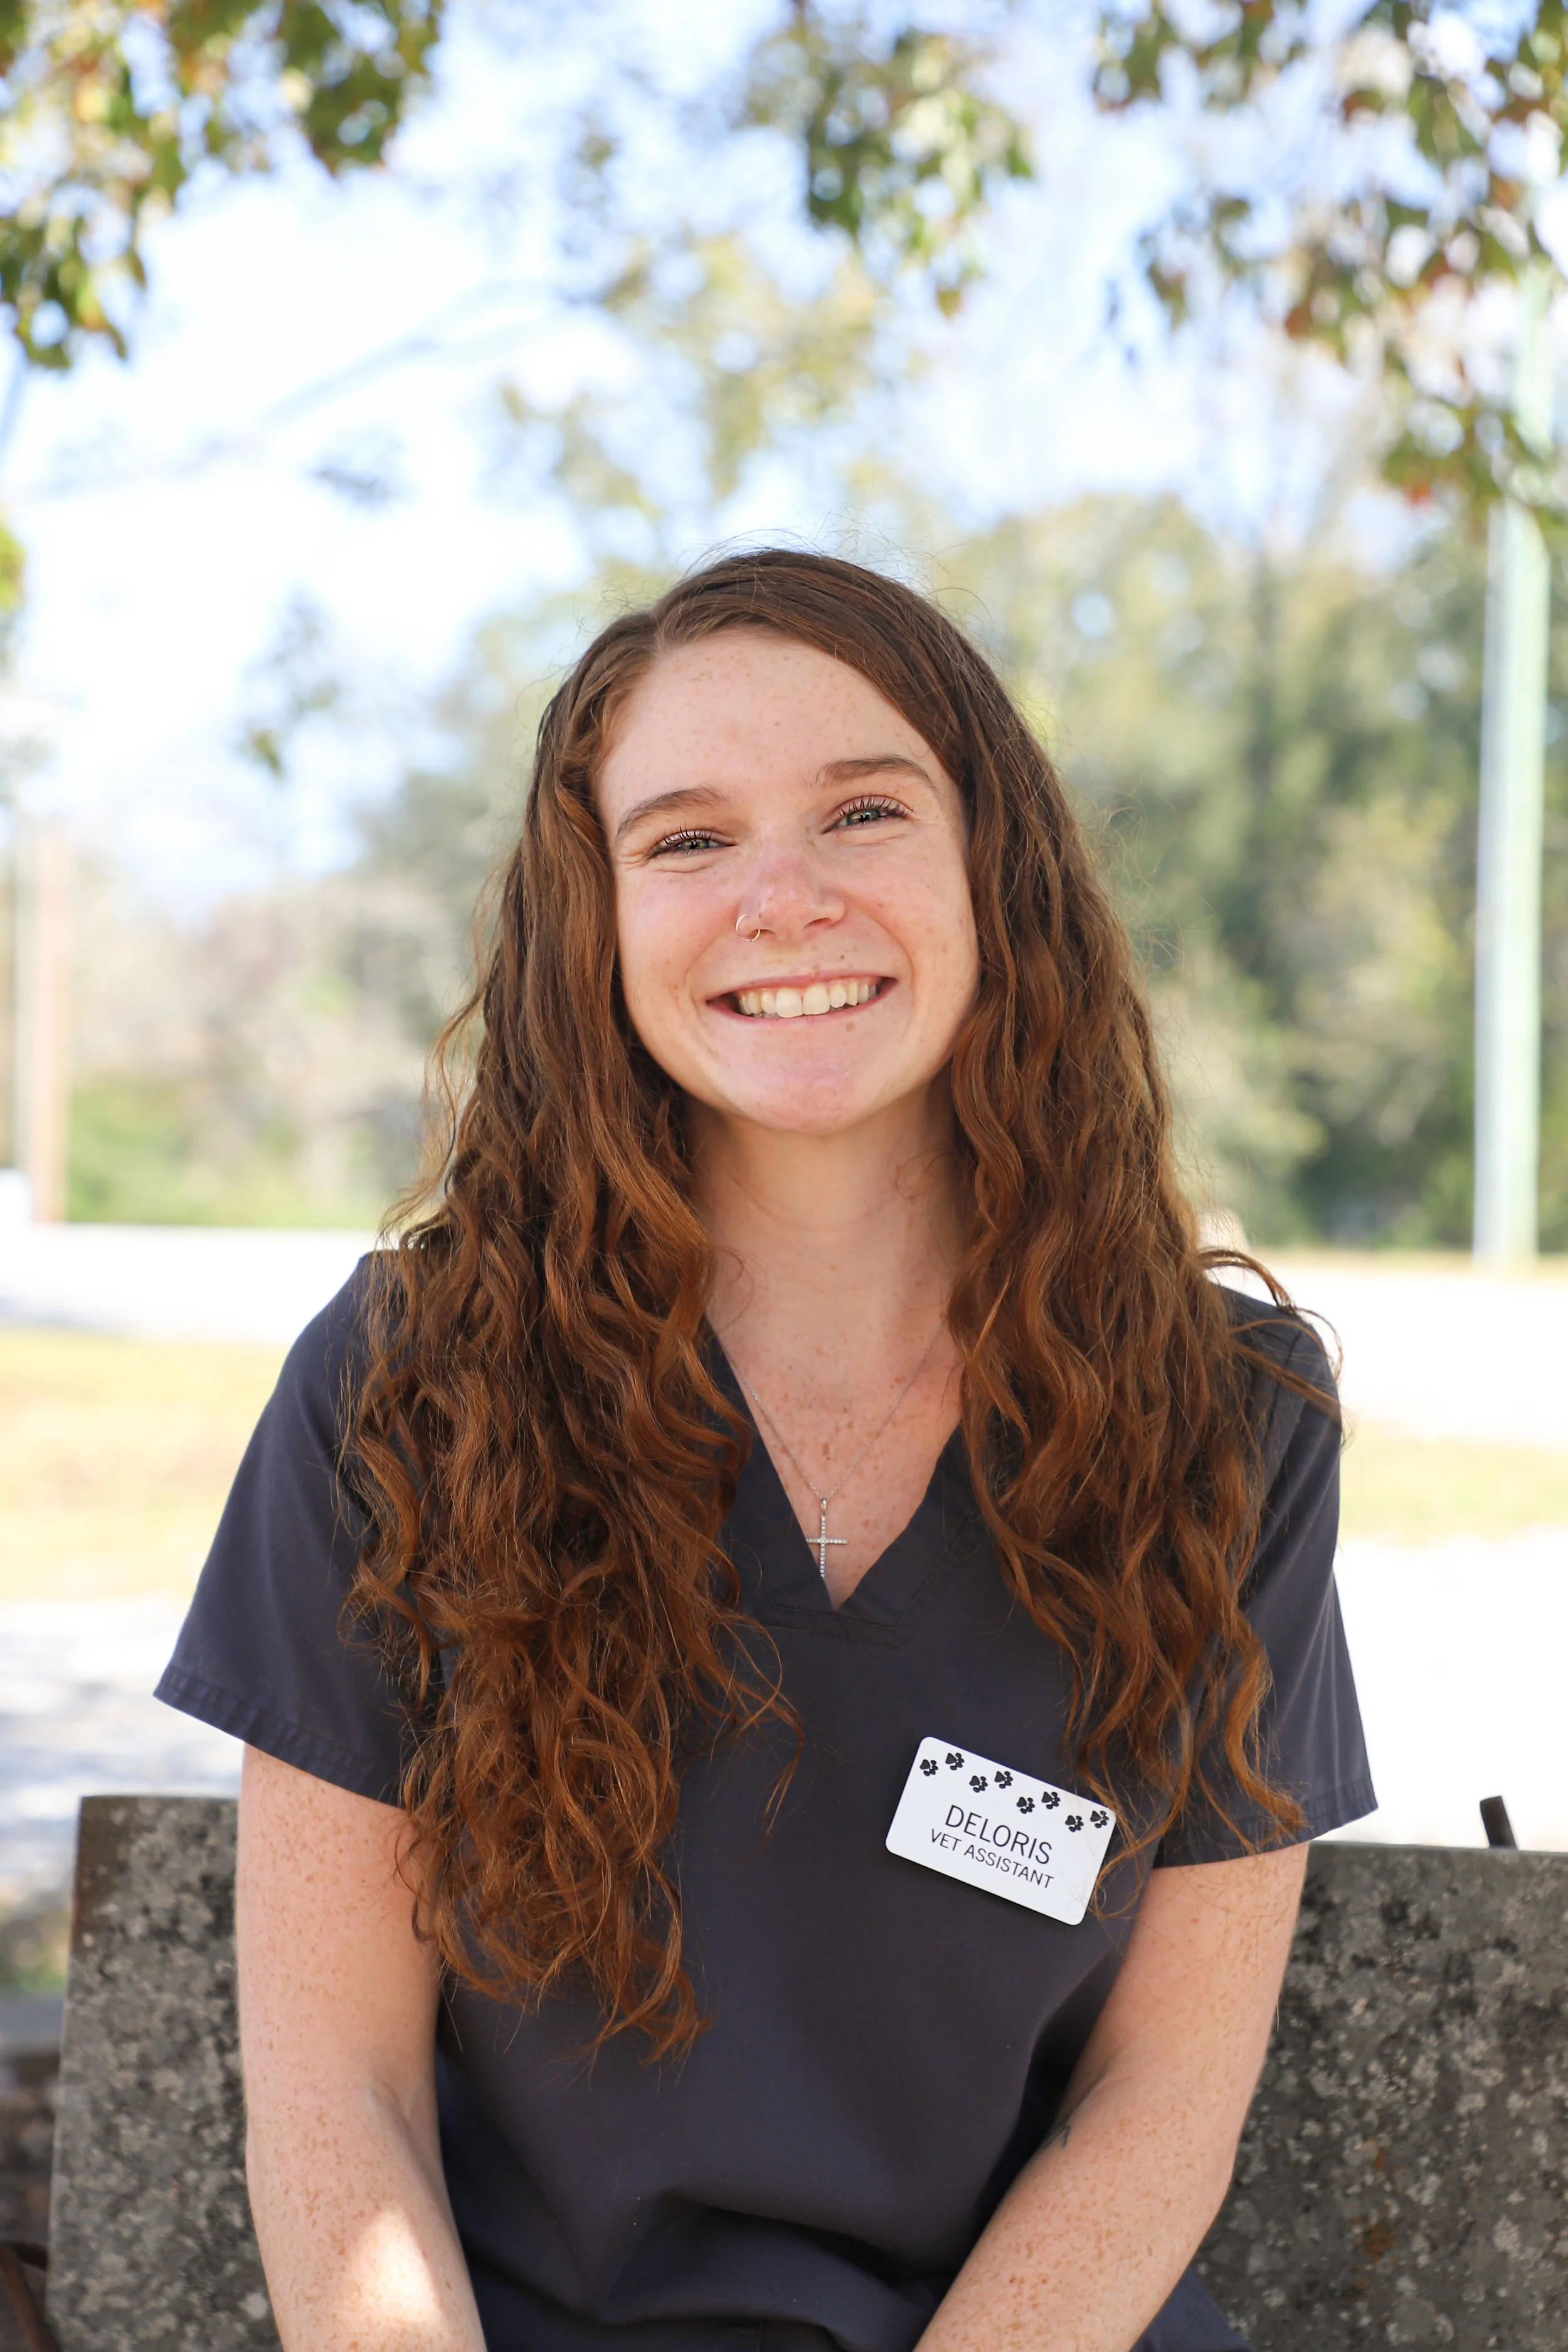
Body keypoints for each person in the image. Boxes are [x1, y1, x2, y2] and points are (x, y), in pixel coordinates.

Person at [157, 548, 1375, 2352]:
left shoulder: (1224, 1420)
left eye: (863, 810)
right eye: (685, 839)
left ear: (996, 868)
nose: (780, 898)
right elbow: (341, 2098)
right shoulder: (409, 1383)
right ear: (598, 925)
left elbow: (1157, 2109)